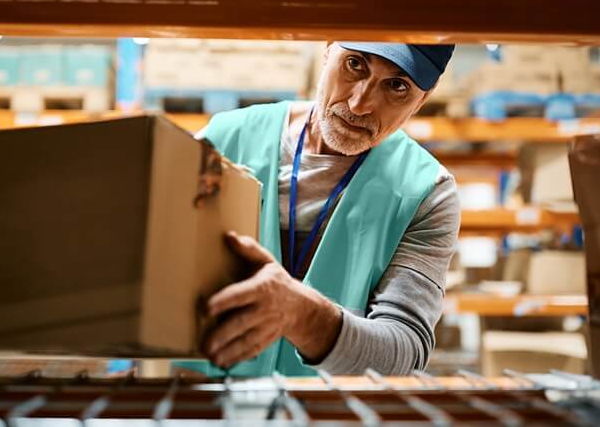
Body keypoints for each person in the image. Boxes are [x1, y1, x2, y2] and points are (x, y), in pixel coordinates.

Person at [180, 41, 460, 377]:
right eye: (355, 65)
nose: (359, 105)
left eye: (397, 86)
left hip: (328, 414)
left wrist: (302, 314)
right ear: (327, 50)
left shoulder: (425, 192)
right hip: (202, 407)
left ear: (422, 100)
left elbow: (403, 353)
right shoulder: (222, 141)